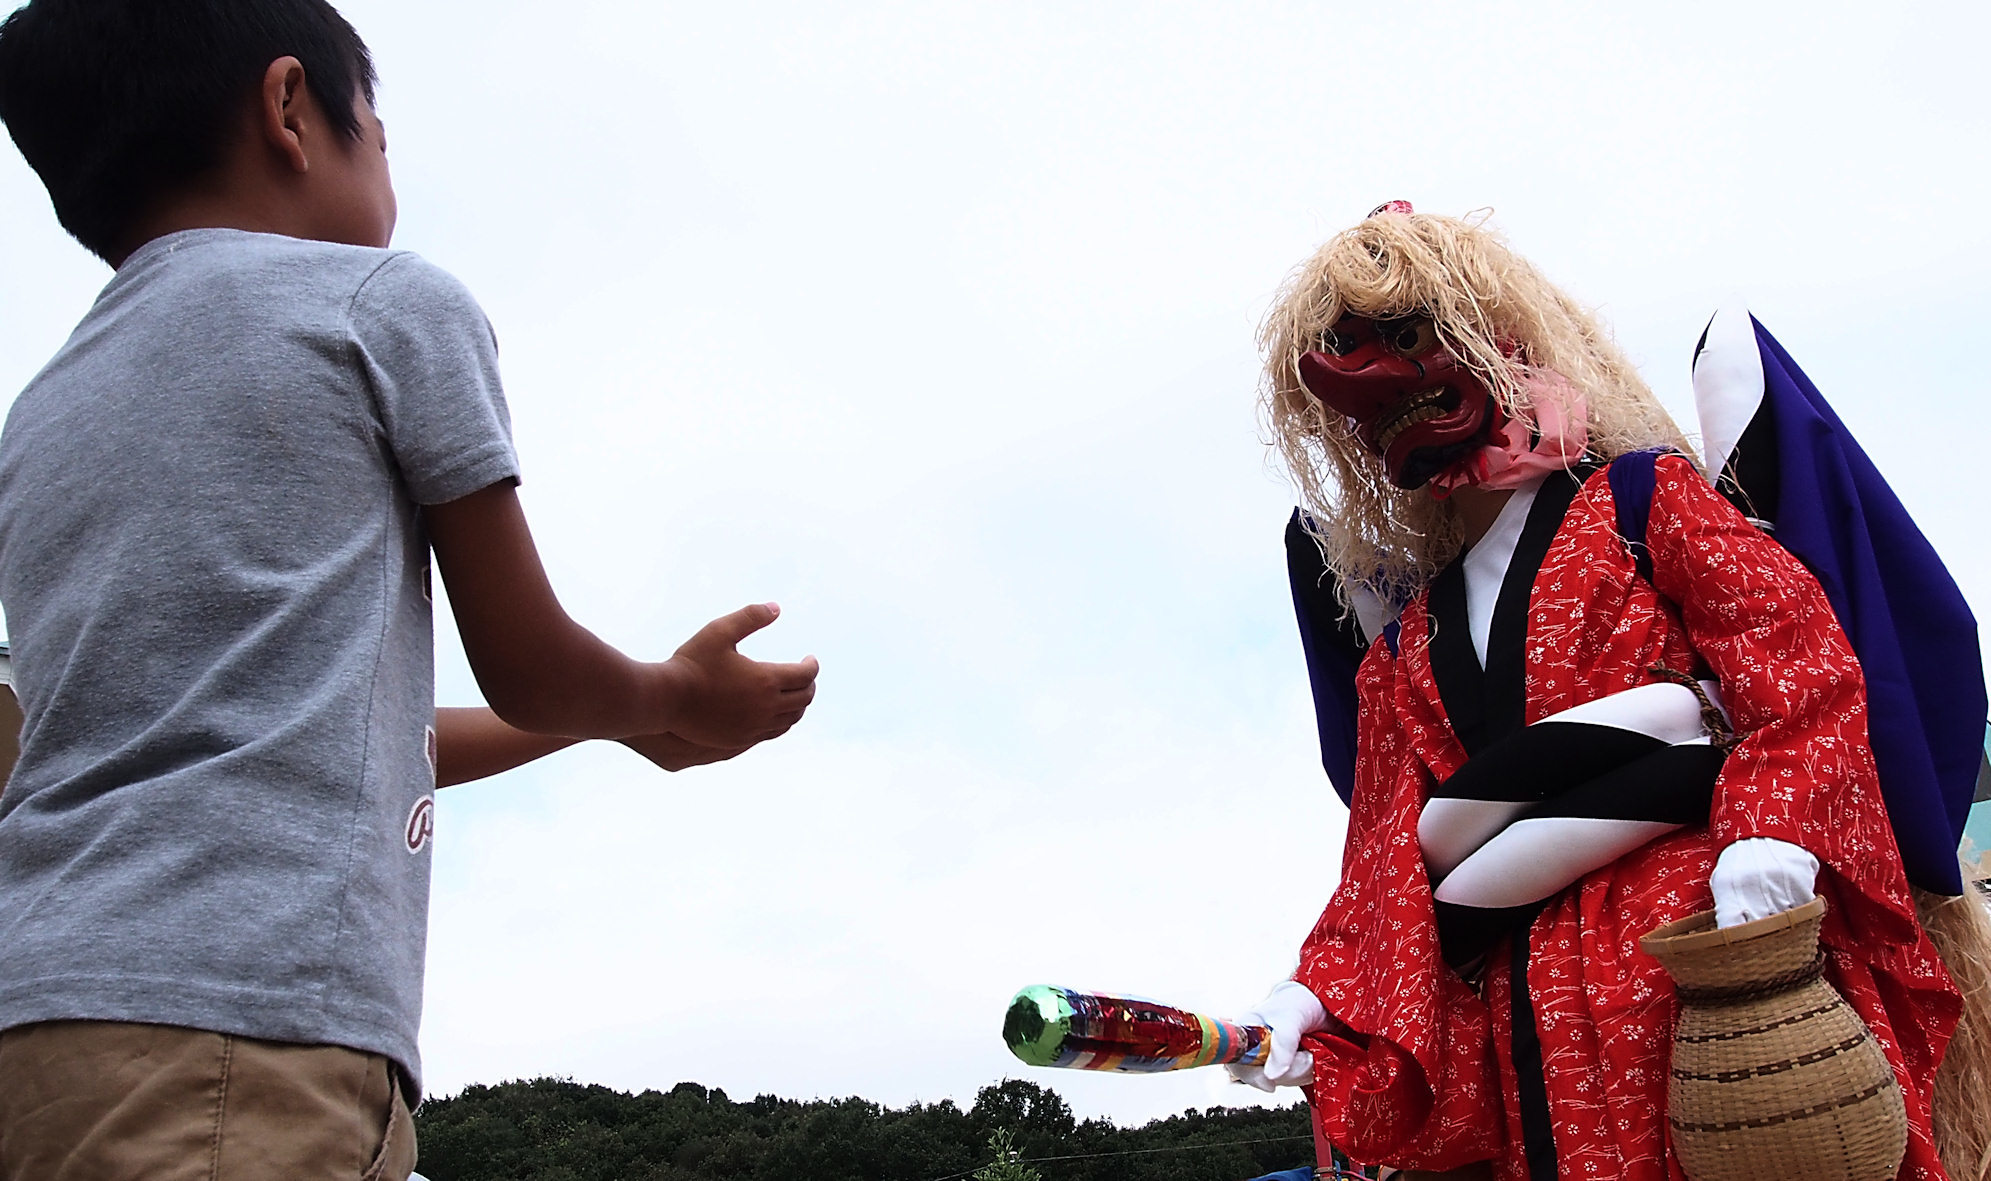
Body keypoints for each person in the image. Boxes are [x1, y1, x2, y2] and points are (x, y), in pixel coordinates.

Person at [0, 2, 818, 1178]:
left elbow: (307, 722)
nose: (385, 162)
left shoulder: (45, 412)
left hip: (43, 1014)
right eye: (373, 129)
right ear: (291, 111)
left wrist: (595, 739)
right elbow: (532, 666)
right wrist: (670, 693)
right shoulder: (379, 305)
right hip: (241, 1015)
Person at [1224, 205, 1976, 1180]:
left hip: (1701, 970)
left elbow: (1800, 674)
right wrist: (1308, 995)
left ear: (1496, 339)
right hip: (1520, 1016)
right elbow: (1381, 860)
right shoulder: (1401, 652)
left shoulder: (1643, 502)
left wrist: (1767, 846)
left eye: (1406, 340)